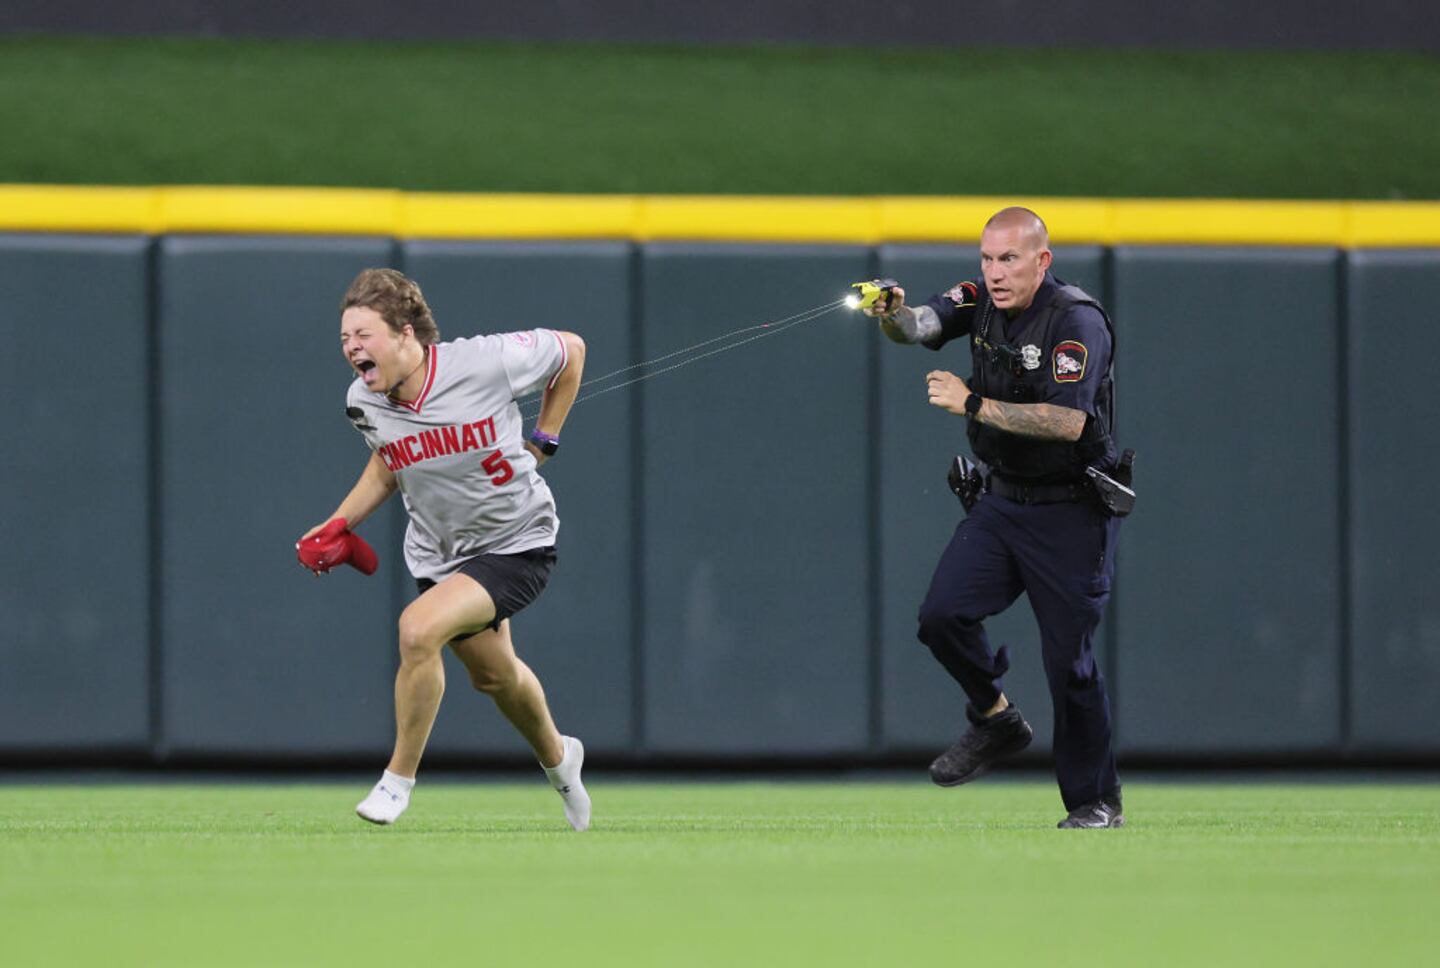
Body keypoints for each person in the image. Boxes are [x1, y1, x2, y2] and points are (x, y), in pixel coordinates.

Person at [298, 267, 591, 830]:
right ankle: (561, 760)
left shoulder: (485, 361)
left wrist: (545, 439)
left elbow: (571, 352)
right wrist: (337, 523)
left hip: (517, 541)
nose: (352, 347)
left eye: (363, 335)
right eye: (344, 339)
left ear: (407, 333)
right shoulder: (365, 399)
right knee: (495, 677)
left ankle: (397, 781)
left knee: (417, 630)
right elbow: (390, 464)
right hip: (441, 555)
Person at [866, 207, 1126, 829]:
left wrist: (972, 402)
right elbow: (920, 325)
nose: (994, 271)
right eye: (986, 258)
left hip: (1071, 508)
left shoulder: (1075, 320)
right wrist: (892, 311)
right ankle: (995, 717)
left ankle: (1096, 802)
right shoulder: (980, 299)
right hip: (1004, 500)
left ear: (1043, 261)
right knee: (942, 615)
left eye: (1008, 259)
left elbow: (1068, 423)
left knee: (1069, 661)